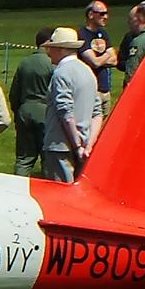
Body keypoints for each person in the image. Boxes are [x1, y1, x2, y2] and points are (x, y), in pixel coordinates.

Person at [41, 27, 96, 182]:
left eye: (51, 48)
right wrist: (89, 144)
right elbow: (97, 112)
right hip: (85, 144)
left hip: (60, 145)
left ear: (60, 49)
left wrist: (76, 144)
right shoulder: (88, 71)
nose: (49, 52)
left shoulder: (61, 73)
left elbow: (65, 112)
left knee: (59, 196)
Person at [8, 27, 57, 177]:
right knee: (47, 157)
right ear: (48, 43)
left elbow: (14, 93)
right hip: (44, 112)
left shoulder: (24, 62)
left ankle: (16, 188)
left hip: (25, 110)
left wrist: (17, 112)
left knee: (24, 158)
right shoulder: (52, 64)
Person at [78, 0, 117, 116]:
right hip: (91, 92)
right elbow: (94, 62)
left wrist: (100, 59)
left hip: (105, 91)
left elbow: (115, 60)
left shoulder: (103, 34)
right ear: (91, 15)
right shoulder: (81, 35)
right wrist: (106, 55)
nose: (105, 17)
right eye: (102, 14)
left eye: (106, 13)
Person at [117, 0, 145, 85]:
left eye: (130, 19)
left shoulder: (138, 42)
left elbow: (131, 75)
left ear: (139, 19)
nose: (128, 22)